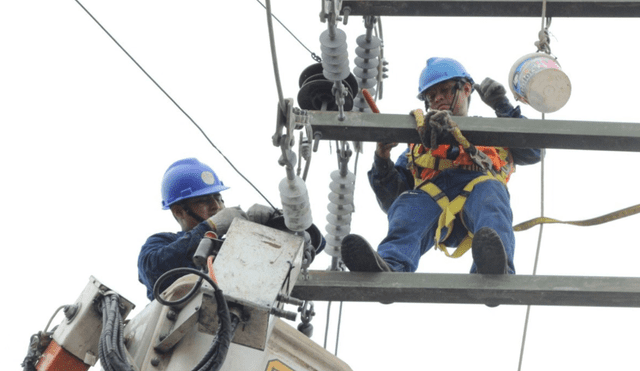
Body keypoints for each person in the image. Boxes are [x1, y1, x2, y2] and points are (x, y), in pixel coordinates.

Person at [341, 57, 543, 276]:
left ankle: (493, 268)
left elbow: (533, 151)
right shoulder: (420, 146)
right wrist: (382, 157)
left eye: (445, 90)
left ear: (466, 89)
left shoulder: (491, 133)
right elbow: (392, 199)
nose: (437, 98)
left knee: (492, 194)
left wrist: (502, 105)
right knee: (410, 202)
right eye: (431, 95)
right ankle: (391, 265)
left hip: (479, 205)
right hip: (433, 206)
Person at [137, 158, 276, 300]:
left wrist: (263, 230)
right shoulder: (161, 242)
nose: (216, 206)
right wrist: (209, 228)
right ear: (178, 211)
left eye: (219, 198)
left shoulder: (230, 247)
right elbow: (153, 271)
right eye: (204, 200)